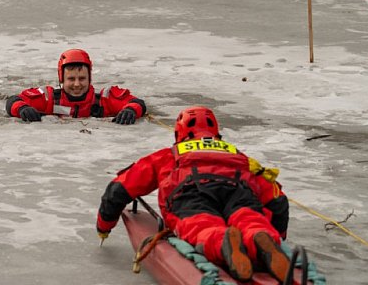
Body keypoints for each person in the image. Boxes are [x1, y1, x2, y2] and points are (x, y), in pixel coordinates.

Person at [95, 106, 291, 283]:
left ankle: (223, 243)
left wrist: (104, 226)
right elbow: (278, 200)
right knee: (249, 218)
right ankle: (262, 238)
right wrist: (280, 237)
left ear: (178, 134)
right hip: (238, 189)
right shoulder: (239, 156)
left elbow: (118, 190)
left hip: (191, 192)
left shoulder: (170, 154)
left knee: (202, 225)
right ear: (217, 133)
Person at [6, 49, 146, 124]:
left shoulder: (104, 99)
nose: (77, 84)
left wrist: (131, 111)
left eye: (82, 78)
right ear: (61, 78)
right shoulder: (48, 98)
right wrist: (22, 108)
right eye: (71, 79)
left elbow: (137, 103)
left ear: (89, 78)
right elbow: (12, 101)